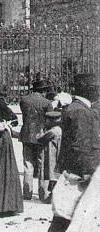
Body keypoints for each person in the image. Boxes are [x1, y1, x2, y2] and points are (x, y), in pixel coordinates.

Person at [48, 73, 100, 232]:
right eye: (96, 89)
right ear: (89, 90)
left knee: (68, 216)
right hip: (79, 174)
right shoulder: (80, 111)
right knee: (66, 217)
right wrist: (88, 172)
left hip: (76, 171)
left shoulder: (79, 108)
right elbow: (81, 145)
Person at [20, 78, 53, 201]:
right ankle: (43, 193)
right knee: (42, 164)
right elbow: (50, 120)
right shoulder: (47, 103)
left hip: (27, 135)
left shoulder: (24, 101)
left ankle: (27, 193)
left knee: (28, 164)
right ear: (43, 91)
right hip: (41, 136)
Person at [36, 110, 62, 204]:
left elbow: (39, 138)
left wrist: (42, 130)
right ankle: (52, 196)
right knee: (53, 176)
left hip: (51, 156)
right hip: (54, 156)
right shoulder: (58, 130)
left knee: (52, 176)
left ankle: (52, 196)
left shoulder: (53, 131)